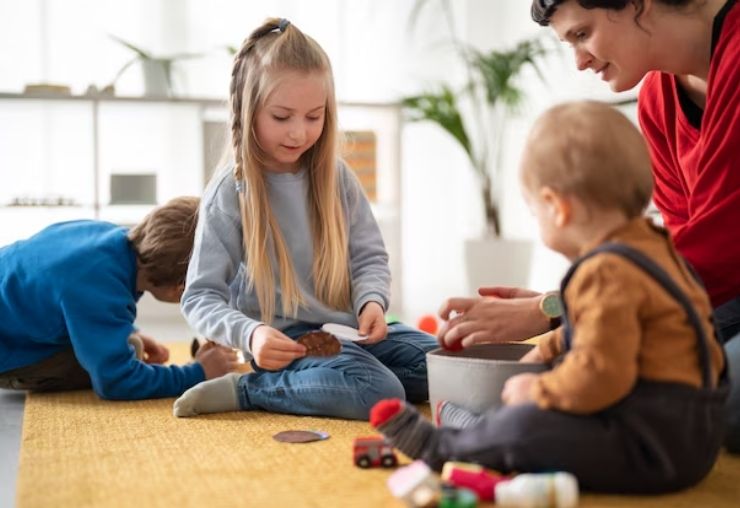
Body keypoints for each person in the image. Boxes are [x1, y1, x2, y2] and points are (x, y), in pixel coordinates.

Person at [371, 101, 728, 493]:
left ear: (557, 208)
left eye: (533, 208)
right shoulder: (655, 248)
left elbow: (601, 375)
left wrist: (536, 391)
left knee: (527, 428)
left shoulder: (604, 272)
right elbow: (604, 328)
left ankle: (443, 445)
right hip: (697, 438)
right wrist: (548, 349)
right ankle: (481, 428)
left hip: (651, 447)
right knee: (543, 409)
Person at [438, 0, 740, 452]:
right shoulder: (658, 98)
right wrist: (579, 315)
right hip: (717, 291)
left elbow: (720, 253)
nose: (579, 61)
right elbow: (674, 260)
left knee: (714, 400)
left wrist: (559, 309)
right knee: (624, 365)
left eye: (582, 34)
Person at [172, 18, 437, 420]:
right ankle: (249, 389)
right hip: (284, 343)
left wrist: (372, 302)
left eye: (314, 117)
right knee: (379, 391)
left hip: (351, 333)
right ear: (248, 109)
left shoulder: (337, 177)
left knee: (443, 363)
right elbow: (200, 296)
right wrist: (251, 333)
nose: (299, 132)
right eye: (282, 117)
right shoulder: (231, 192)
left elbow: (369, 257)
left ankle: (344, 380)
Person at [0, 196, 239, 400]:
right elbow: (117, 382)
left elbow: (76, 302)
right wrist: (198, 373)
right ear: (181, 287)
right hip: (7, 353)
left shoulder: (108, 238)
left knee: (123, 345)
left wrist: (127, 332)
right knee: (113, 362)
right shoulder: (97, 287)